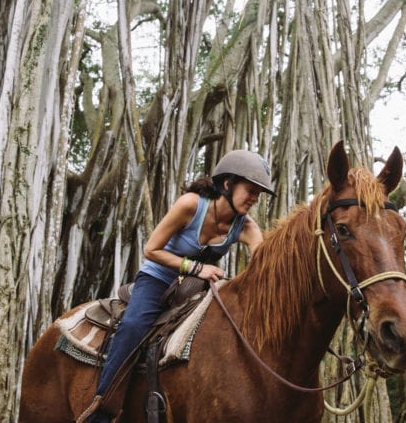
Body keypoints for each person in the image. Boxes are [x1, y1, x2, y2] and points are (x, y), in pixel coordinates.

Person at [84, 149, 275, 423]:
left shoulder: (245, 226)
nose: (255, 198)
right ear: (227, 184)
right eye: (251, 189)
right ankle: (100, 410)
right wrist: (197, 268)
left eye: (259, 192)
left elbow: (263, 262)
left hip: (197, 288)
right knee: (133, 327)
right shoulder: (191, 205)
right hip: (158, 278)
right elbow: (151, 249)